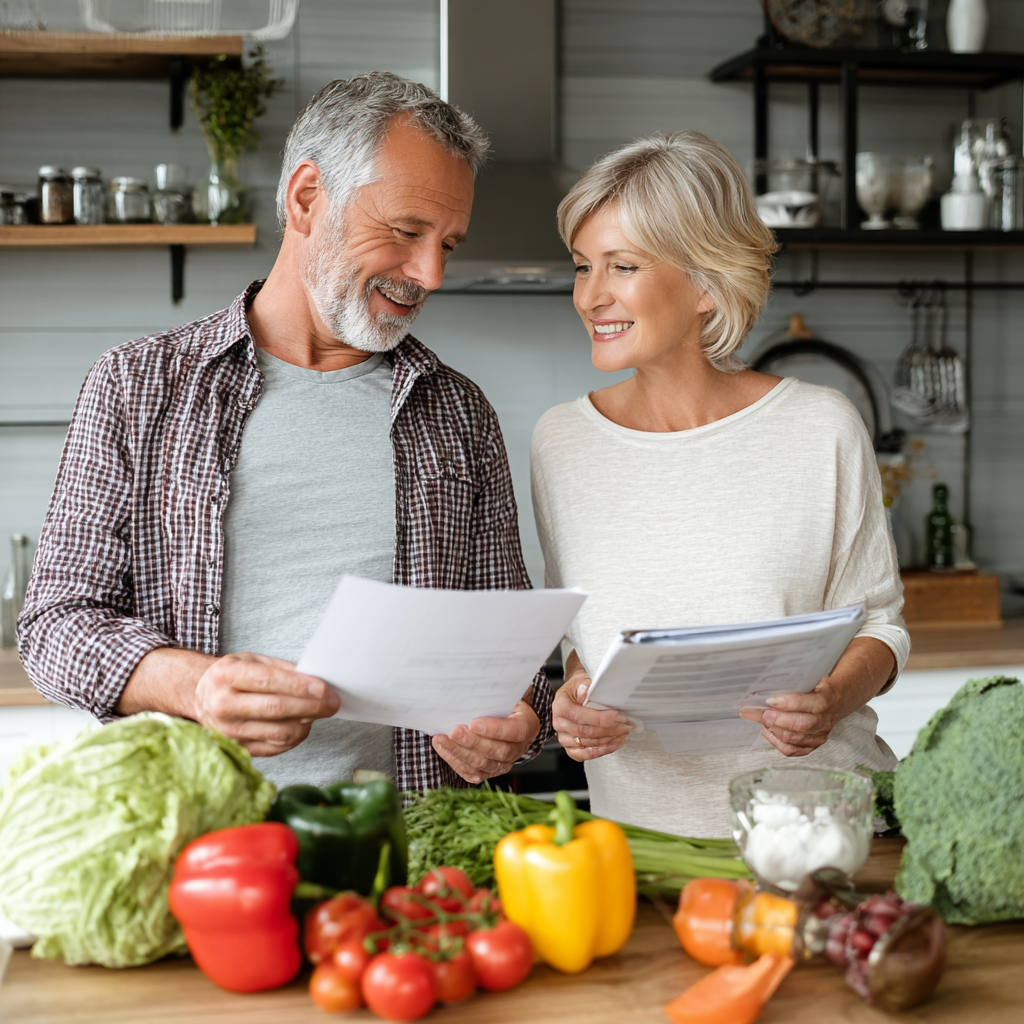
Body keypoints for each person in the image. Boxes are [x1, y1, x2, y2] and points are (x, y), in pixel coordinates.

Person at [19, 73, 551, 793]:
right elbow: (54, 629)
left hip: (414, 860)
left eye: (448, 245)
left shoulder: (458, 413)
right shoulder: (138, 386)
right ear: (307, 198)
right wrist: (195, 685)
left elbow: (508, 658)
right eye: (405, 231)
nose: (429, 272)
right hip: (202, 848)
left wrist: (518, 719)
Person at [531, 131, 906, 838]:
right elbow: (582, 641)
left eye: (623, 265)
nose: (591, 295)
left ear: (706, 283)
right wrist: (576, 698)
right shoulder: (561, 442)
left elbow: (881, 626)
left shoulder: (820, 425)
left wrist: (828, 699)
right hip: (643, 848)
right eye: (583, 266)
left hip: (821, 833)